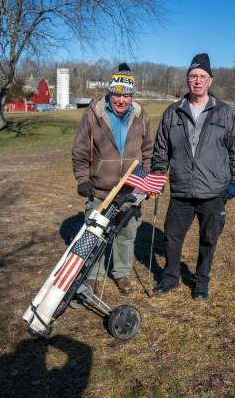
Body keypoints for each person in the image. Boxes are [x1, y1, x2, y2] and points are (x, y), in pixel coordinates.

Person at [152, 53, 235, 301]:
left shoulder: (225, 113)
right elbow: (161, 150)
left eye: (202, 76)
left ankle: (201, 281)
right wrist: (158, 177)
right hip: (182, 190)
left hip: (213, 191)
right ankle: (170, 277)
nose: (197, 81)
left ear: (210, 81)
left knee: (209, 238)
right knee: (172, 237)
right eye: (193, 76)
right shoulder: (172, 113)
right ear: (187, 79)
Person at [72, 63, 153, 295]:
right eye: (117, 94)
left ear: (132, 96)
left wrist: (144, 185)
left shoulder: (142, 116)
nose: (121, 100)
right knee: (95, 234)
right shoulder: (93, 114)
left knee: (126, 235)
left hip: (130, 189)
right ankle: (94, 276)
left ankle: (121, 273)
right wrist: (82, 179)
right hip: (100, 189)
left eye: (126, 95)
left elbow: (148, 153)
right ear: (110, 92)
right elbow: (79, 151)